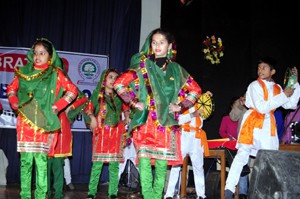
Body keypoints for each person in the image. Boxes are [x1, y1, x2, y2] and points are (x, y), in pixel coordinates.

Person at [113, 28, 202, 199]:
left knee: (162, 165)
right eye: (154, 42)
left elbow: (195, 89)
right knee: (144, 163)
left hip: (166, 125)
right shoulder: (143, 66)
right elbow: (119, 84)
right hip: (145, 122)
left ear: (169, 46)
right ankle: (148, 196)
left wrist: (181, 106)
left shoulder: (176, 70)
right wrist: (133, 102)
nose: (157, 46)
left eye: (161, 42)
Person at [6, 38, 78, 199]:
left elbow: (72, 91)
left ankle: (40, 196)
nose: (37, 56)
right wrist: (13, 100)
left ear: (50, 56)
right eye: (35, 53)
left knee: (41, 163)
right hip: (25, 123)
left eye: (42, 53)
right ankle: (25, 196)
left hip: (43, 124)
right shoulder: (24, 72)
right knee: (25, 163)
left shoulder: (55, 73)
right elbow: (11, 88)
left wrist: (58, 105)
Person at [224, 57, 300, 199]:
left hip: (267, 127)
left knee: (271, 158)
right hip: (252, 124)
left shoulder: (277, 88)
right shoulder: (254, 85)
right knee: (242, 156)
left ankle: (268, 192)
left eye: (264, 68)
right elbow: (261, 107)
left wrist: (294, 85)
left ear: (273, 71)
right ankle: (228, 190)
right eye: (259, 68)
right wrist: (284, 95)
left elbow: (291, 105)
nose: (260, 71)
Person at [84, 68, 130, 199]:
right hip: (101, 134)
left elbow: (127, 108)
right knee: (97, 165)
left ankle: (113, 193)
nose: (113, 80)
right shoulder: (97, 94)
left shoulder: (120, 97)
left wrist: (127, 116)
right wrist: (92, 118)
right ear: (104, 79)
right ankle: (91, 192)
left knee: (114, 166)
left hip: (116, 134)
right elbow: (88, 108)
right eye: (110, 77)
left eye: (116, 78)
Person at [47, 58, 88, 199]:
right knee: (44, 166)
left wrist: (71, 106)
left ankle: (58, 194)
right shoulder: (42, 83)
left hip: (60, 128)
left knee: (58, 166)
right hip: (44, 126)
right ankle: (45, 193)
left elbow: (83, 98)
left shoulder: (66, 84)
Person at [164, 91, 212, 199]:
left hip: (197, 136)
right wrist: (192, 115)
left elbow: (204, 116)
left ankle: (201, 195)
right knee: (176, 165)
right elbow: (177, 120)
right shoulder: (180, 102)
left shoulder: (199, 103)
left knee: (198, 167)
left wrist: (206, 99)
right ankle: (169, 194)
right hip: (184, 135)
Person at [219, 96, 249, 199]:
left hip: (244, 143)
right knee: (238, 166)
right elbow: (222, 132)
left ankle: (243, 193)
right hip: (230, 146)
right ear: (232, 106)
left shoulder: (245, 115)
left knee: (244, 168)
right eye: (235, 105)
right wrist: (229, 139)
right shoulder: (226, 118)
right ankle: (230, 191)